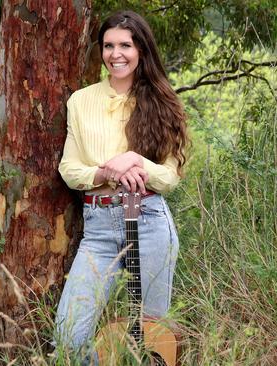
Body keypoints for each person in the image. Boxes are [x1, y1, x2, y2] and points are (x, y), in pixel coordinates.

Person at [54, 10, 189, 363]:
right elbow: (69, 169)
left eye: (125, 45)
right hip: (98, 229)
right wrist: (105, 172)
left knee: (152, 339)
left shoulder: (162, 102)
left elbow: (170, 177)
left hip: (149, 220)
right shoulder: (81, 101)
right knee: (68, 336)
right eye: (109, 45)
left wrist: (136, 161)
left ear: (141, 49)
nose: (117, 54)